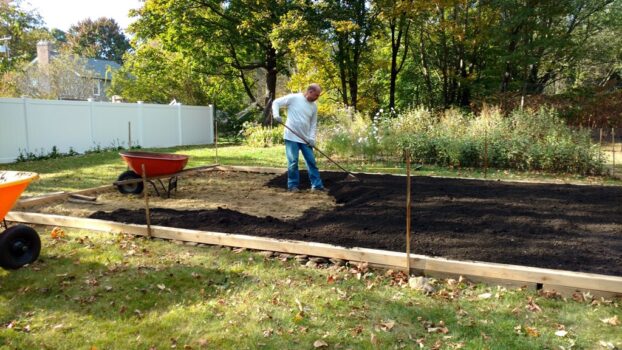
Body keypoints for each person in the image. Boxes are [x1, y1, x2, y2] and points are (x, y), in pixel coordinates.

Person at [272, 83, 325, 192]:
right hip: (291, 137)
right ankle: (293, 186)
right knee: (293, 162)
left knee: (311, 162)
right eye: (316, 95)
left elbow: (313, 124)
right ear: (310, 91)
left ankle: (317, 186)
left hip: (305, 139)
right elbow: (276, 102)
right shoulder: (294, 98)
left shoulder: (314, 106)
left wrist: (311, 138)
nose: (317, 98)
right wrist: (276, 115)